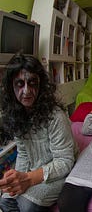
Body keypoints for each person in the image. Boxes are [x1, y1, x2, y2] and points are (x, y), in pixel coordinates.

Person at [0, 53, 77, 211]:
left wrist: (28, 179)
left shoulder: (56, 116)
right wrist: (17, 176)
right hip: (33, 170)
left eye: (32, 83)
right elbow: (23, 153)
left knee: (26, 205)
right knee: (5, 200)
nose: (26, 91)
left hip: (59, 171)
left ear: (40, 85)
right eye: (20, 84)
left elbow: (65, 162)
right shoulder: (16, 115)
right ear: (11, 87)